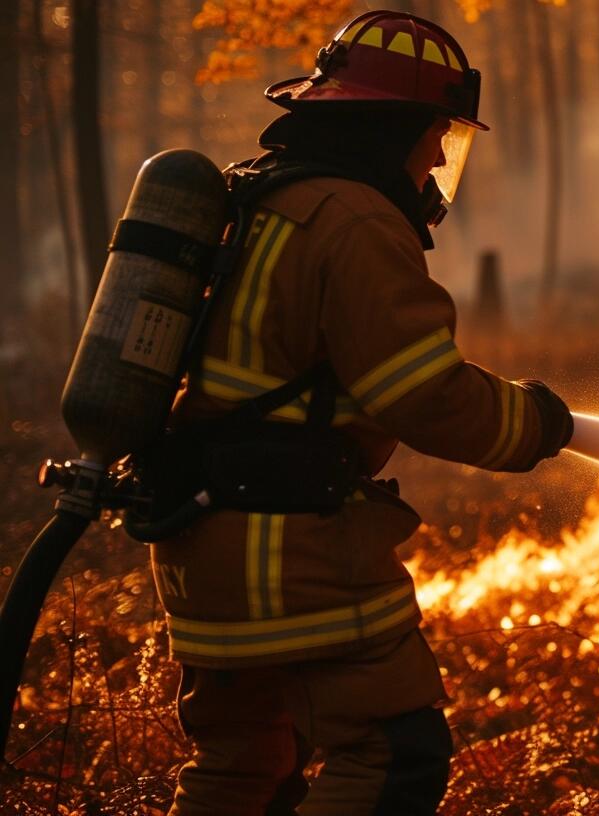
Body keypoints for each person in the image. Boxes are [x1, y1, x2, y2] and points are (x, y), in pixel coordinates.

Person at [148, 11, 572, 814]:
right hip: (292, 552)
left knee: (243, 768)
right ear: (394, 125)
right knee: (392, 755)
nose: (443, 155)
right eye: (436, 132)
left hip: (203, 543)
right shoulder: (357, 220)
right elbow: (426, 395)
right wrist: (538, 424)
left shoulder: (266, 200)